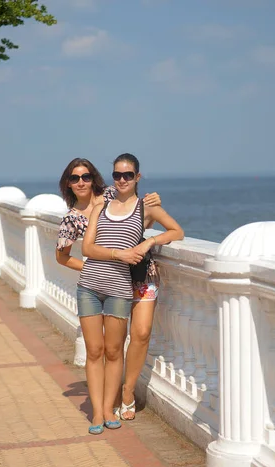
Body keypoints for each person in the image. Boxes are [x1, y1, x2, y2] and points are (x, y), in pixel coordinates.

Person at [55, 157, 162, 430]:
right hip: (94, 284)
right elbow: (63, 257)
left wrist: (154, 200)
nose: (81, 182)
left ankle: (117, 401)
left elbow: (140, 204)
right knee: (96, 350)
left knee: (125, 343)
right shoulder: (71, 219)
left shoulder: (111, 195)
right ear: (68, 183)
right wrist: (93, 268)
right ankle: (99, 412)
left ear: (95, 179)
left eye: (86, 177)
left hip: (131, 279)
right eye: (75, 178)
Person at [80, 153, 184, 434]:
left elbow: (176, 230)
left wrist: (150, 241)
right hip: (109, 280)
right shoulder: (104, 201)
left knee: (139, 334)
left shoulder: (146, 205)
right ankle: (105, 407)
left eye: (128, 175)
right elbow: (88, 240)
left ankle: (126, 392)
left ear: (138, 177)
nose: (122, 179)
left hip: (138, 277)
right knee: (103, 348)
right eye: (117, 174)